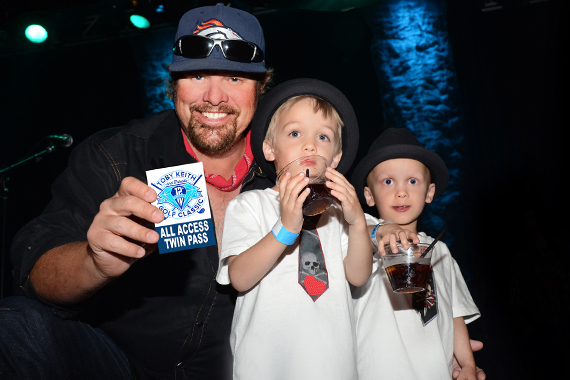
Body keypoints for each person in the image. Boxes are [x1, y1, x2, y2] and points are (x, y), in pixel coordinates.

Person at [0, 4, 273, 380]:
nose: (214, 96)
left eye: (234, 79)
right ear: (173, 84)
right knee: (17, 326)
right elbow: (35, 267)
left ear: (261, 88)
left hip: (236, 371)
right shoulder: (115, 156)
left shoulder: (284, 172)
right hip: (119, 364)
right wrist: (93, 263)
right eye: (196, 75)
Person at [216, 78, 372, 379]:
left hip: (334, 365)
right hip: (266, 365)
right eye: (295, 133)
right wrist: (286, 227)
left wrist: (356, 223)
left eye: (324, 137)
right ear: (269, 148)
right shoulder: (251, 205)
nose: (310, 145)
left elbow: (359, 274)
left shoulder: (338, 215)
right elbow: (239, 277)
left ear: (336, 159)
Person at [350, 127, 483, 380]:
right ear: (369, 195)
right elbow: (359, 234)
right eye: (388, 182)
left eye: (412, 181)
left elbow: (454, 315)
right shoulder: (361, 245)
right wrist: (373, 234)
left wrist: (467, 365)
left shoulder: (441, 252)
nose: (401, 191)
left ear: (430, 192)